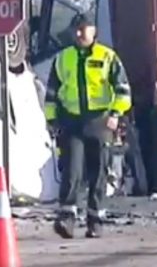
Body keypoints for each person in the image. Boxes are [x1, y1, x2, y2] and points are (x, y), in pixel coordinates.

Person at [43, 13, 133, 239]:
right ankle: (67, 219)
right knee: (71, 171)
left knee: (99, 173)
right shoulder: (63, 58)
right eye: (77, 29)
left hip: (100, 122)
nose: (80, 33)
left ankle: (95, 220)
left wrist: (115, 114)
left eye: (84, 29)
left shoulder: (108, 57)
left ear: (94, 32)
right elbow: (52, 94)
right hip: (72, 122)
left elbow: (123, 90)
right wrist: (52, 121)